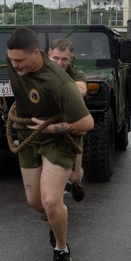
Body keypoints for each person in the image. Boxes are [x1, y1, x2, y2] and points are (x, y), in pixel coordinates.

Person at [5, 28, 93, 261]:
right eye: (12, 60)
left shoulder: (61, 83)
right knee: (35, 202)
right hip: (28, 135)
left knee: (52, 201)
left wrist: (53, 127)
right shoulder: (15, 59)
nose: (15, 65)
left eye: (20, 61)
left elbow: (87, 124)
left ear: (35, 54)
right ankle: (56, 222)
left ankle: (62, 250)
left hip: (58, 137)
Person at [48, 38, 88, 201]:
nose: (60, 62)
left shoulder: (75, 72)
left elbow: (82, 90)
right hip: (46, 125)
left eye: (64, 59)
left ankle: (75, 182)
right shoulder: (39, 71)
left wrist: (59, 80)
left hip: (72, 127)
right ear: (49, 54)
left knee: (73, 175)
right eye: (55, 58)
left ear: (71, 58)